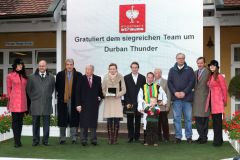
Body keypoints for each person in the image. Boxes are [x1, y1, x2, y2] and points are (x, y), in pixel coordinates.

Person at [167, 53, 195, 144]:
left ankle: (189, 137)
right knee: (177, 118)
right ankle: (178, 137)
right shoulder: (172, 70)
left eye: (182, 58)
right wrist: (175, 92)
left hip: (187, 99)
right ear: (176, 59)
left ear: (184, 59)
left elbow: (192, 82)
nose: (180, 60)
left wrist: (184, 92)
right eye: (179, 58)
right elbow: (169, 83)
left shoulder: (189, 70)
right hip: (176, 99)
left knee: (188, 119)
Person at [26, 60, 55, 146]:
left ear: (46, 67)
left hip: (47, 104)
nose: (41, 67)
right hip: (35, 104)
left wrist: (47, 96)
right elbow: (28, 90)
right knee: (35, 124)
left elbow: (52, 89)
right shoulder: (31, 77)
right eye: (40, 66)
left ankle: (45, 141)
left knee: (46, 124)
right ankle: (35, 141)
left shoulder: (51, 77)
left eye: (43, 66)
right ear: (38, 67)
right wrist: (34, 98)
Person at [55, 59, 82, 144]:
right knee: (62, 119)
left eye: (71, 64)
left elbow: (80, 89)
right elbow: (57, 87)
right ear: (65, 65)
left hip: (75, 101)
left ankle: (73, 137)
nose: (69, 66)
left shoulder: (79, 75)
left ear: (73, 65)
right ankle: (62, 138)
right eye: (67, 64)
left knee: (73, 118)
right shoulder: (60, 75)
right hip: (63, 100)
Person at [76, 64, 103, 146]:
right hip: (83, 105)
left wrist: (100, 97)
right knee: (84, 122)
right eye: (86, 69)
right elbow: (77, 92)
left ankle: (93, 139)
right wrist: (78, 104)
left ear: (92, 71)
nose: (87, 71)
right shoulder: (81, 78)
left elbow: (100, 92)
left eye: (89, 69)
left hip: (94, 105)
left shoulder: (98, 79)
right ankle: (83, 139)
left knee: (93, 122)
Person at [138, 72, 167, 144]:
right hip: (146, 106)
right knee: (145, 123)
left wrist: (163, 102)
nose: (150, 79)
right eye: (148, 77)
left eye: (151, 77)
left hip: (155, 107)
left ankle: (154, 141)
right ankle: (146, 140)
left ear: (153, 78)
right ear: (146, 78)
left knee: (154, 123)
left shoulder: (158, 86)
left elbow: (164, 95)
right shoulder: (142, 87)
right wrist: (140, 107)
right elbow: (140, 98)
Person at [102, 63, 126, 144]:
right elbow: (103, 89)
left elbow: (124, 90)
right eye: (110, 69)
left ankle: (115, 139)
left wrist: (117, 94)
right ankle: (110, 139)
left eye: (114, 69)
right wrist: (106, 94)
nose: (112, 70)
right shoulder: (105, 77)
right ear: (108, 69)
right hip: (108, 101)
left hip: (116, 100)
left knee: (116, 120)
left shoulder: (120, 77)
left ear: (116, 69)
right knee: (109, 120)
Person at [205, 60, 227, 146]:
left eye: (213, 66)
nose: (211, 67)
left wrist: (224, 100)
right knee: (215, 122)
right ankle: (219, 140)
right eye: (210, 66)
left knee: (217, 122)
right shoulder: (211, 76)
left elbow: (224, 89)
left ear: (217, 67)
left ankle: (217, 141)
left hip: (217, 102)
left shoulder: (219, 76)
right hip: (212, 102)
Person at [6, 58, 28, 148]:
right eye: (19, 64)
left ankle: (19, 139)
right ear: (15, 66)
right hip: (14, 102)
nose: (20, 66)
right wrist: (9, 100)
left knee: (20, 122)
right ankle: (16, 141)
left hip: (22, 102)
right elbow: (8, 89)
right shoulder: (10, 76)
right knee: (15, 122)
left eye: (21, 65)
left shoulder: (24, 77)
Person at [124, 62, 146, 143]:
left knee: (138, 120)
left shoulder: (142, 77)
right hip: (129, 102)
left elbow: (144, 91)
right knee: (129, 120)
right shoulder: (126, 77)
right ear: (131, 68)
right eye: (133, 67)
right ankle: (130, 137)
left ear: (138, 68)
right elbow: (125, 91)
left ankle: (137, 136)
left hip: (139, 103)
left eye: (136, 67)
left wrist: (142, 102)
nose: (134, 69)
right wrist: (126, 102)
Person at [192, 57, 210, 144]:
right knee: (198, 119)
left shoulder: (208, 72)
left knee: (204, 120)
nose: (199, 65)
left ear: (204, 63)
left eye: (201, 63)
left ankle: (204, 138)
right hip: (196, 99)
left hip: (204, 99)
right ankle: (201, 136)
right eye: (198, 63)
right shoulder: (195, 72)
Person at [154, 68, 171, 142]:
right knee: (157, 123)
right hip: (155, 107)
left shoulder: (166, 82)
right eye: (155, 73)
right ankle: (158, 137)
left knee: (164, 123)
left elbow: (169, 94)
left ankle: (166, 137)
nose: (157, 74)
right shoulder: (152, 82)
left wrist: (168, 105)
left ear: (161, 73)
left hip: (163, 107)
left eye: (158, 73)